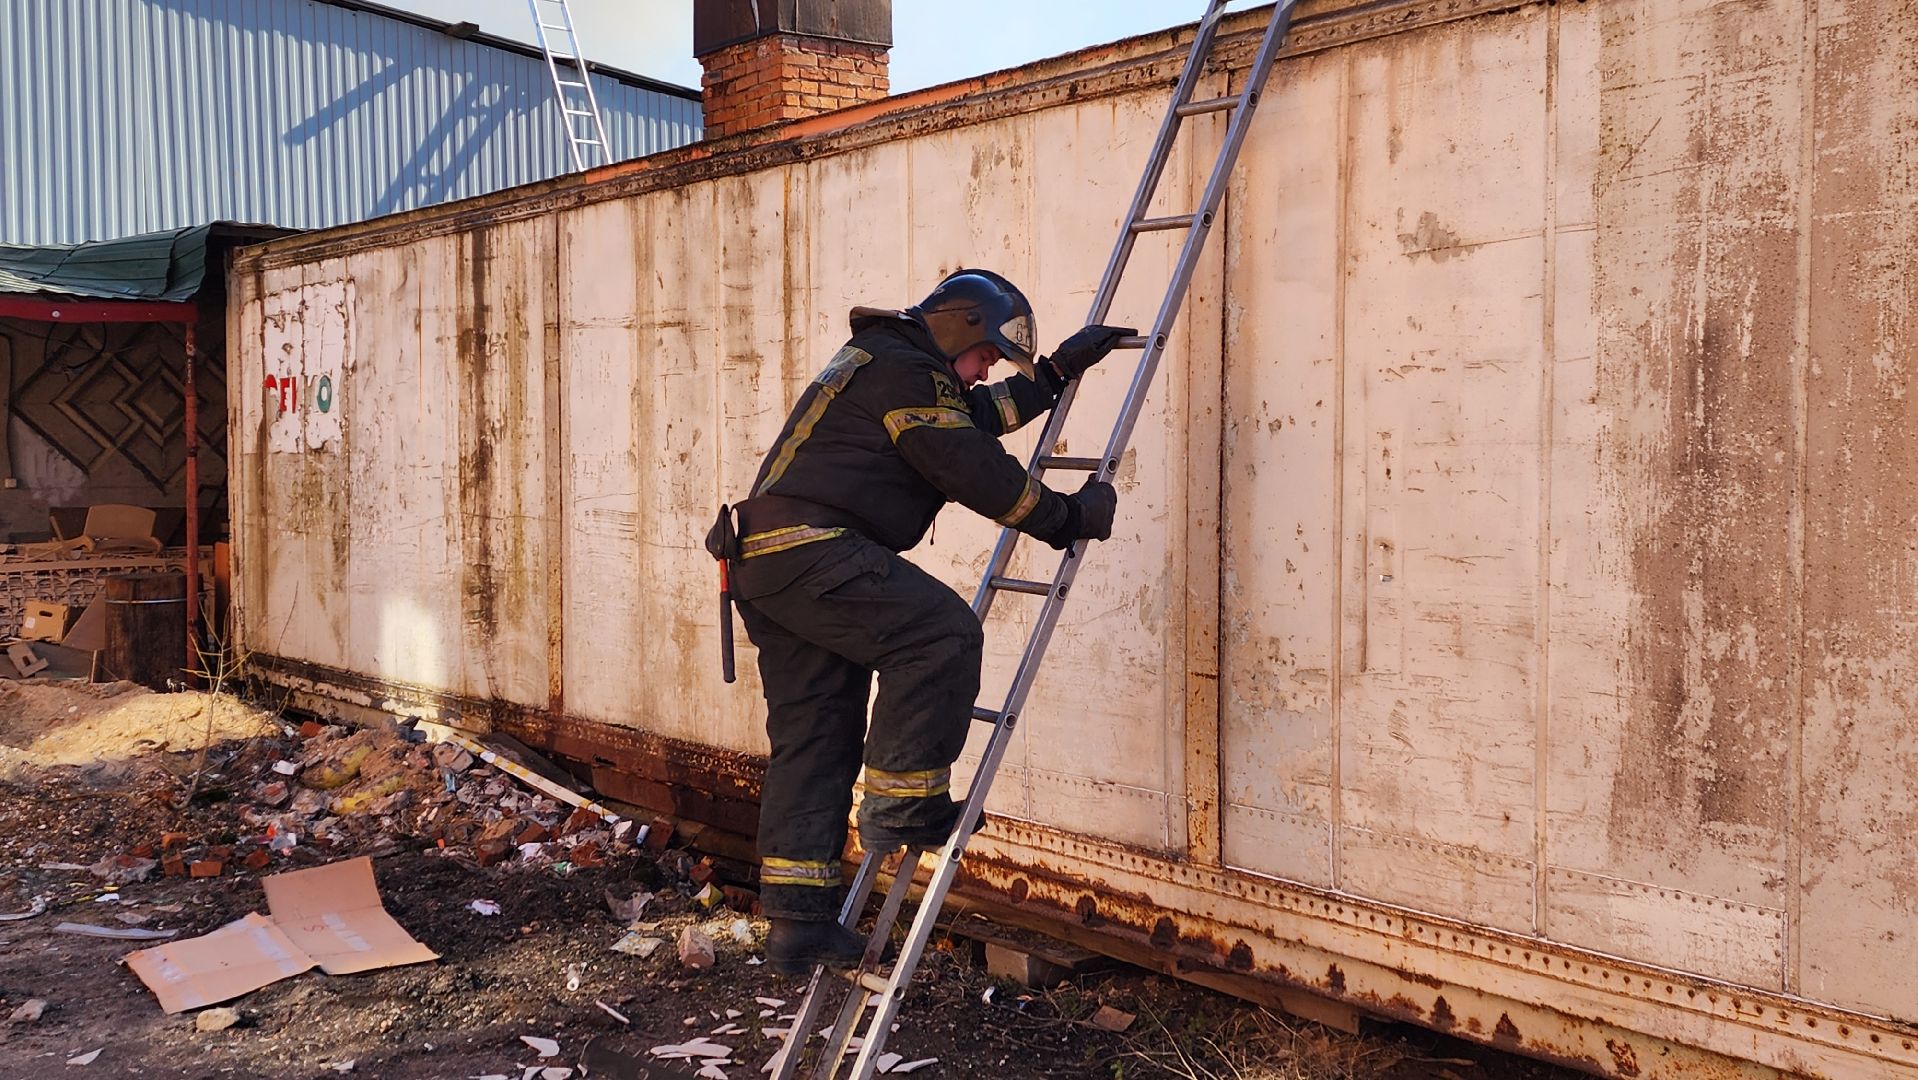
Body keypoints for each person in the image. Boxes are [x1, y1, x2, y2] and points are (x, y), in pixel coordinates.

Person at [706, 268, 1132, 976]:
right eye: (988, 354)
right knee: (940, 636)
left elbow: (969, 416)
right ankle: (905, 809)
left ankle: (796, 922)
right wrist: (1069, 518)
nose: (988, 369)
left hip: (765, 559)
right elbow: (973, 466)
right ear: (961, 327)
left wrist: (1055, 371)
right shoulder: (906, 371)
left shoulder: (893, 364)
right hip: (812, 551)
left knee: (816, 733)